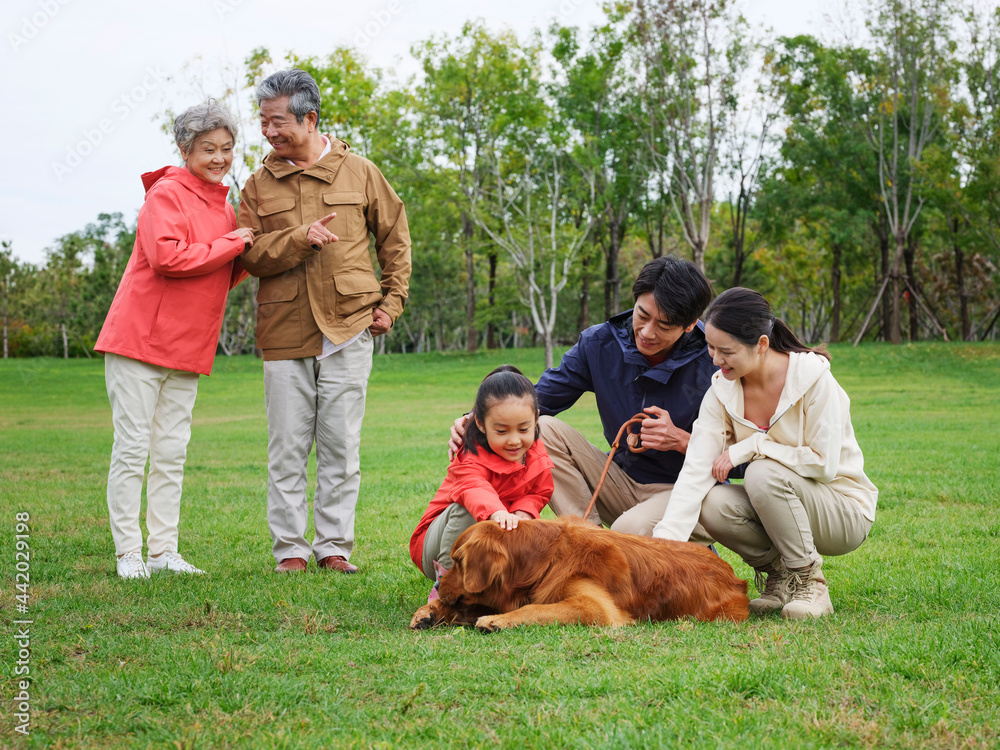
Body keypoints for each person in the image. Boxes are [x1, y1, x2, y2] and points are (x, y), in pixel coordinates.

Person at [238, 69, 411, 574]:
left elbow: (395, 240)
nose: (268, 133)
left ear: (309, 119)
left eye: (277, 122)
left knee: (340, 444)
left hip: (350, 325)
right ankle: (290, 550)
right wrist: (299, 238)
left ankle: (334, 546)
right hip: (285, 331)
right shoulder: (256, 184)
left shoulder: (360, 171)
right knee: (287, 448)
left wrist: (391, 303)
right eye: (263, 123)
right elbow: (247, 254)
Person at [449, 256, 717, 541]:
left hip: (683, 491)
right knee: (544, 428)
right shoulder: (600, 342)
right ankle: (587, 541)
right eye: (642, 315)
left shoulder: (715, 361)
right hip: (620, 481)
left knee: (629, 531)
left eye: (664, 325)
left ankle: (679, 547)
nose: (647, 332)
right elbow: (540, 398)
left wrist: (681, 440)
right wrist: (474, 419)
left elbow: (743, 457)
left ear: (689, 325)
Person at [95, 101, 254, 579]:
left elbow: (214, 275)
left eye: (227, 148)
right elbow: (168, 258)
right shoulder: (165, 195)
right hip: (139, 344)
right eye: (209, 149)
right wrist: (235, 244)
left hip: (187, 348)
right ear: (186, 149)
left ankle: (164, 551)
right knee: (132, 448)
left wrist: (253, 250)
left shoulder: (224, 206)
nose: (220, 157)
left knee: (171, 452)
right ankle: (129, 552)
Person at [652, 287, 878, 619]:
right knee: (712, 503)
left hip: (842, 511)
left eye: (725, 351)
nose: (715, 360)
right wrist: (664, 544)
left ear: (761, 345)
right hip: (782, 502)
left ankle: (811, 585)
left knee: (761, 471)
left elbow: (824, 466)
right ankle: (780, 578)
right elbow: (697, 468)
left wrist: (754, 445)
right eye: (711, 348)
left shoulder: (814, 379)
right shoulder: (722, 389)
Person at [412, 366, 554, 601]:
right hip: (437, 546)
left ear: (536, 418)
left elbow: (540, 491)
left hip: (495, 534)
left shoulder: (536, 452)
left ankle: (497, 588)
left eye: (524, 429)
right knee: (467, 507)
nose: (514, 440)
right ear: (479, 423)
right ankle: (445, 586)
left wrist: (523, 511)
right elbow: (473, 487)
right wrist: (497, 513)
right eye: (501, 430)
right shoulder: (468, 454)